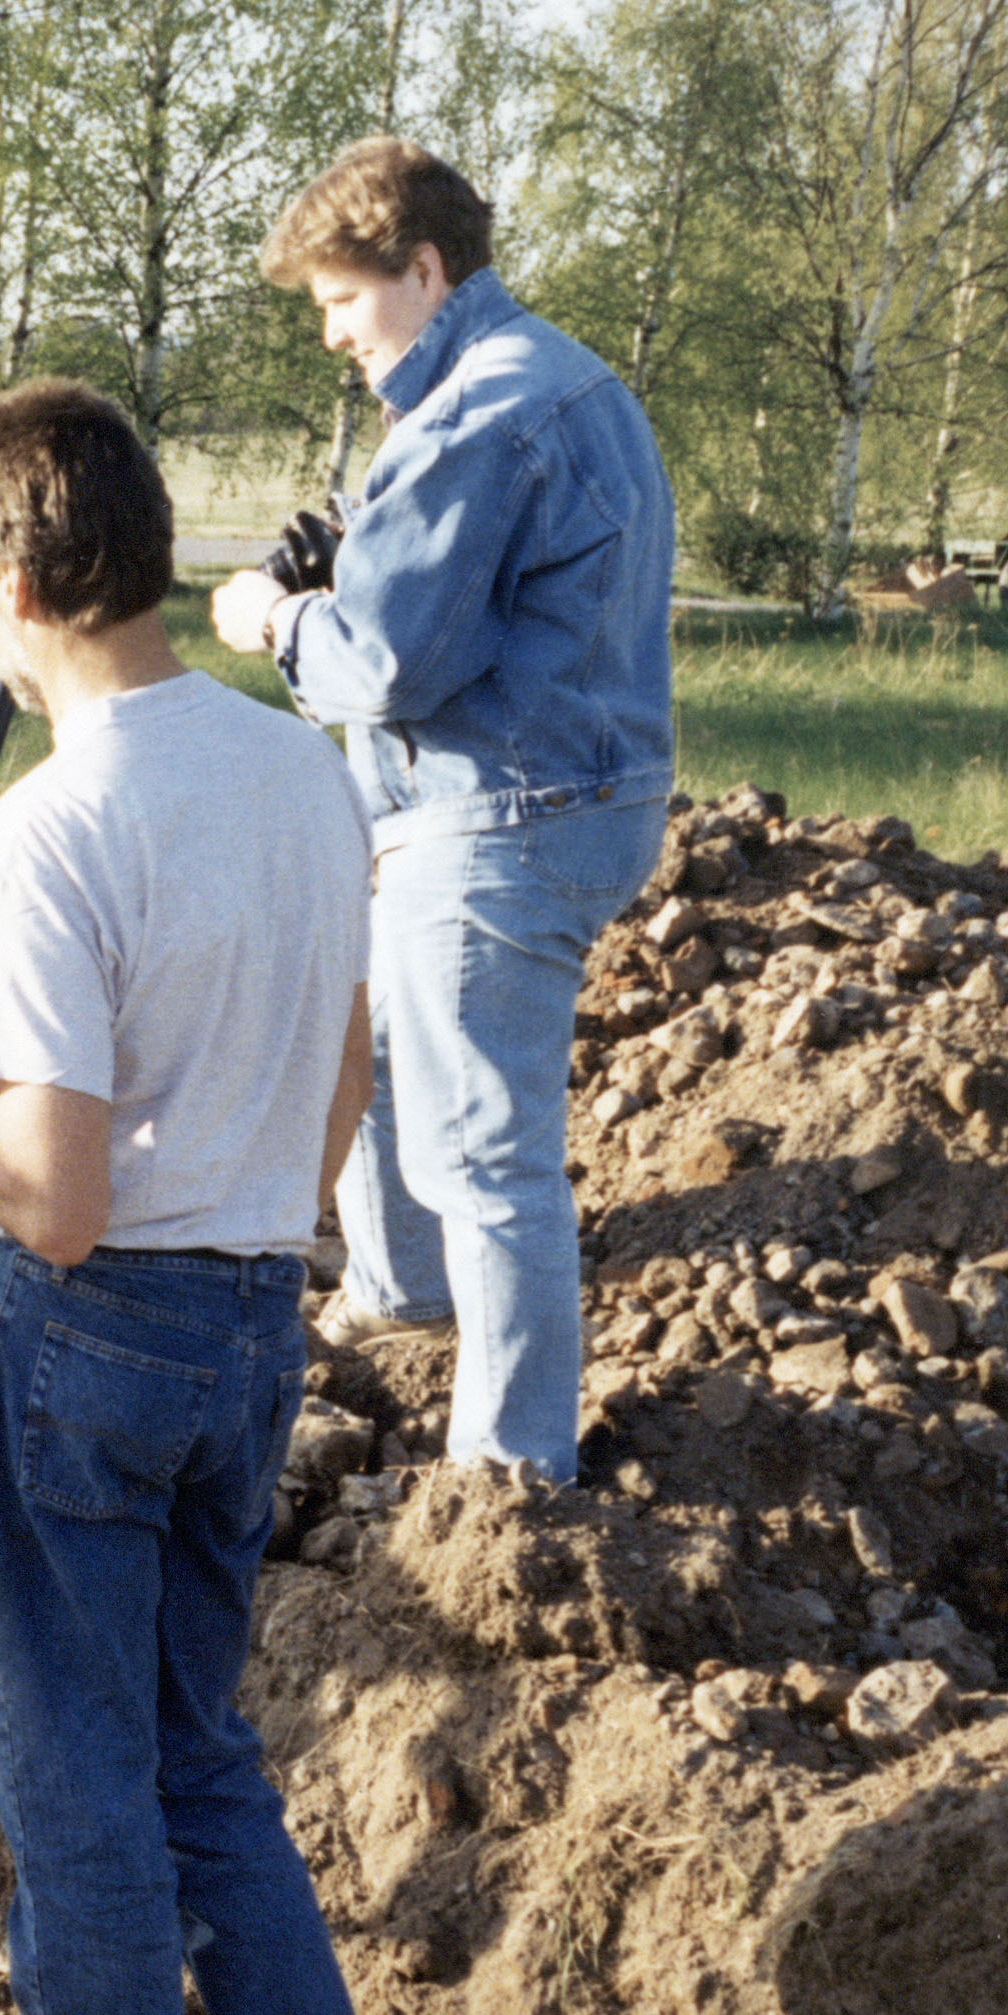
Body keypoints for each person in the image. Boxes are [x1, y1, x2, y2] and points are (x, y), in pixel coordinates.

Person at [0, 379, 410, 2015]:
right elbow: (345, 1063)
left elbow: (54, 1197)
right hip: (257, 1313)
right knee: (197, 1755)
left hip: (87, 1333)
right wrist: (261, 1208)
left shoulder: (45, 831)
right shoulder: (300, 775)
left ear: (8, 579)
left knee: (74, 1765)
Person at [212, 136, 677, 1484]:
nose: (328, 335)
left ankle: (511, 1469)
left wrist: (279, 613)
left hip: (495, 813)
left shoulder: (477, 410)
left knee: (484, 1150)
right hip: (559, 789)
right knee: (376, 1037)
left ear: (420, 268)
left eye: (339, 299)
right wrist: (354, 553)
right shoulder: (556, 375)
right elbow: (486, 589)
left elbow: (382, 664)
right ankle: (396, 1283)